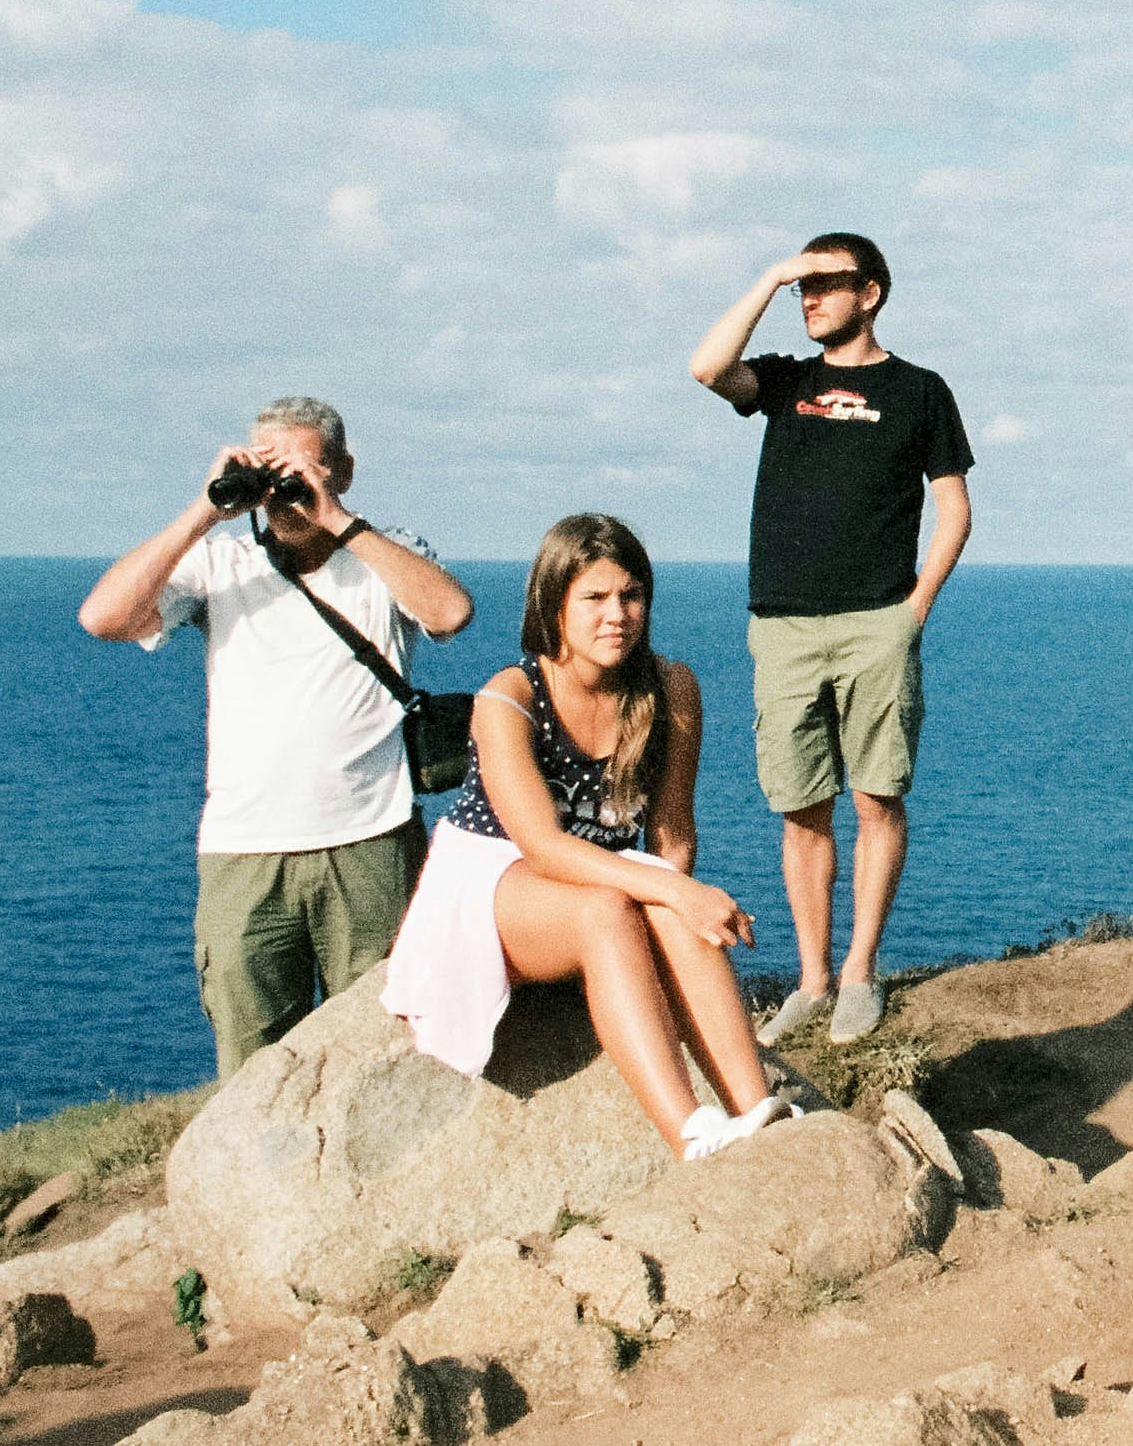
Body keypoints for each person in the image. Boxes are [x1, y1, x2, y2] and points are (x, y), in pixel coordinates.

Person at [79, 397, 475, 1074]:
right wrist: (206, 509)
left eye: (301, 472)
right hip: (245, 851)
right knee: (251, 1061)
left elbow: (449, 612)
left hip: (369, 841)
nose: (281, 495)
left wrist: (338, 521)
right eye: (267, 477)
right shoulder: (221, 562)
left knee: (385, 1047)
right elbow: (104, 617)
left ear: (342, 470)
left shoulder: (389, 552)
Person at [383, 514, 789, 1157]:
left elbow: (672, 829)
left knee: (668, 899)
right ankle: (690, 1130)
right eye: (594, 598)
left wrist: (674, 899)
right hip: (497, 875)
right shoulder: (508, 698)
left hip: (600, 871)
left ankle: (756, 1107)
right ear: (554, 604)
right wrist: (672, 892)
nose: (617, 615)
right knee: (619, 905)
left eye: (630, 595)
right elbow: (541, 844)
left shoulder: (671, 687)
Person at [690, 233, 973, 1046]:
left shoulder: (920, 391)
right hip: (781, 623)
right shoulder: (784, 380)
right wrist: (770, 272)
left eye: (824, 284)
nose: (808, 298)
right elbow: (708, 368)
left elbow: (952, 505)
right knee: (799, 806)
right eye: (800, 287)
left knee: (877, 797)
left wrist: (913, 609)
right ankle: (812, 981)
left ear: (871, 292)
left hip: (875, 623)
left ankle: (859, 974)